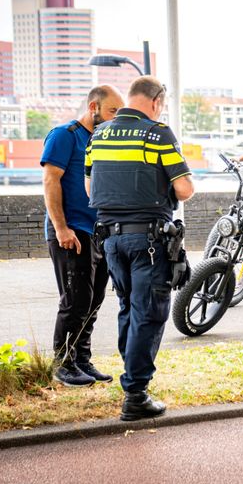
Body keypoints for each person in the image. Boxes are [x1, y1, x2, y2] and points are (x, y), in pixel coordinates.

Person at [85, 76, 194, 421]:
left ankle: (131, 380)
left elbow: (91, 189)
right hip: (148, 238)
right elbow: (185, 189)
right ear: (156, 101)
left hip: (111, 239)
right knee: (149, 312)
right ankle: (135, 394)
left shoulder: (98, 135)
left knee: (128, 309)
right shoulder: (157, 133)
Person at [41, 84, 124, 387]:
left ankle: (82, 361)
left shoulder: (102, 140)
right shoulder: (64, 135)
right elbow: (51, 181)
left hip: (98, 232)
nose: (117, 117)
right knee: (76, 299)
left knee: (95, 298)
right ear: (94, 107)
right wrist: (61, 228)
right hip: (70, 230)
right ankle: (63, 364)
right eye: (113, 111)